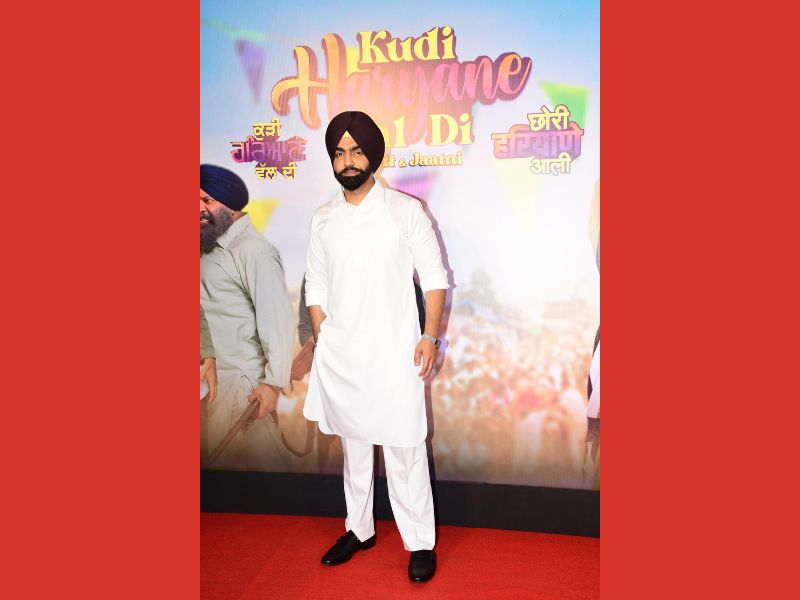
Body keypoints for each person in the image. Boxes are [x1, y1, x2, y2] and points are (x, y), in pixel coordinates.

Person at [303, 111, 449, 583]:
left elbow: (434, 278)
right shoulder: (323, 218)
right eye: (339, 153)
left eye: (356, 151)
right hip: (343, 354)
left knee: (405, 447)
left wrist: (429, 335)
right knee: (355, 447)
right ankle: (359, 529)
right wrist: (324, 336)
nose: (348, 161)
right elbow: (315, 285)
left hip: (396, 353)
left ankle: (419, 541)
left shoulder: (405, 211)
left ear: (373, 156)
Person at [199, 164, 296, 471]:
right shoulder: (207, 244)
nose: (199, 209)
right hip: (213, 382)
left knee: (259, 474)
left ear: (233, 206)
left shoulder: (254, 250)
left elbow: (277, 321)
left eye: (207, 200)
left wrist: (274, 384)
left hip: (242, 387)